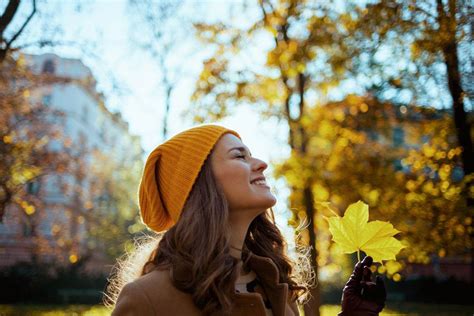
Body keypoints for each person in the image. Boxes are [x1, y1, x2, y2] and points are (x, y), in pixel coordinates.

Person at [106, 124, 386, 315]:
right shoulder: (148, 299)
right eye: (239, 155)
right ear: (200, 184)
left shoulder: (278, 285)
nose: (261, 164)